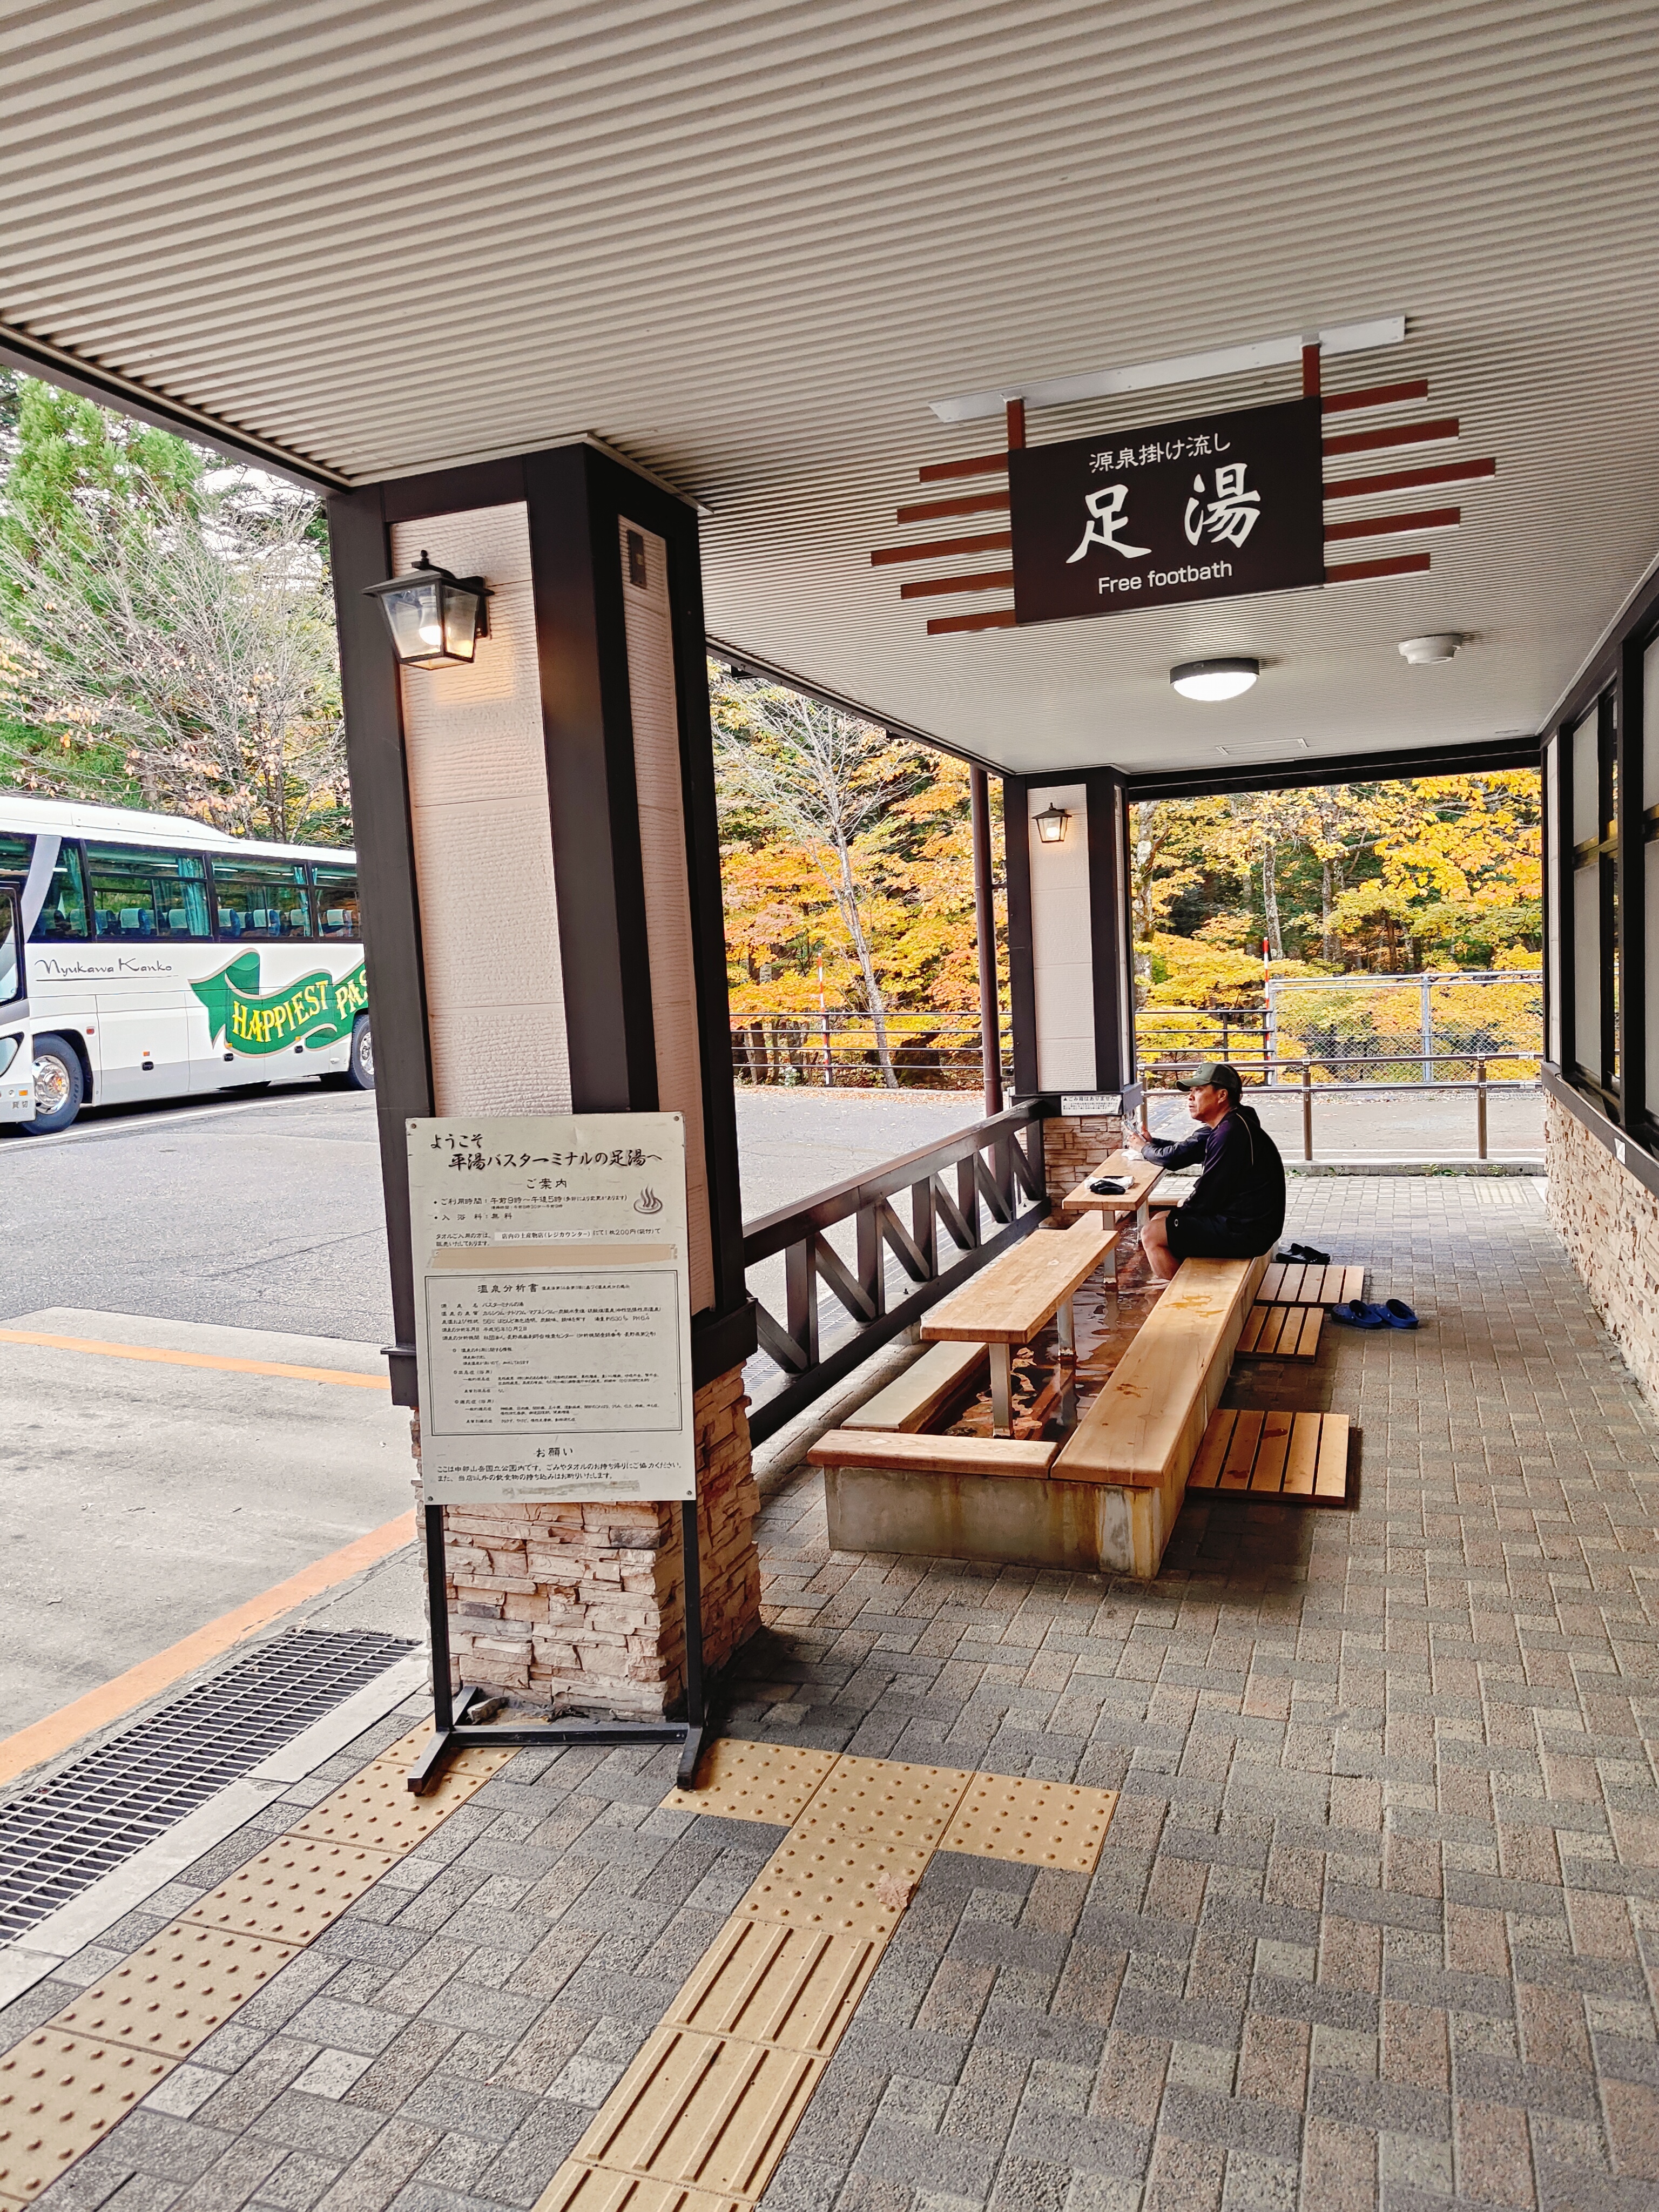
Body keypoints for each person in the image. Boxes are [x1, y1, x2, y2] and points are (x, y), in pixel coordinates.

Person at [1123, 1062, 1285, 1282]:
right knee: (1161, 1218)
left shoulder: (1229, 1134)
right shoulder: (1233, 1121)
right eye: (1191, 1091)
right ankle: (1183, 1281)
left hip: (1248, 1231)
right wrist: (1151, 1144)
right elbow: (1182, 1154)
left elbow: (1209, 1193)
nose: (1190, 1097)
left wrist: (1184, 1212)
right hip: (1250, 1223)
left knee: (1151, 1234)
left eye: (1198, 1090)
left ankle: (1182, 1296)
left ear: (1222, 1095)